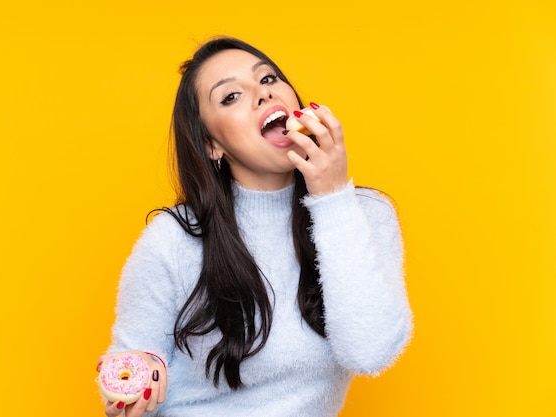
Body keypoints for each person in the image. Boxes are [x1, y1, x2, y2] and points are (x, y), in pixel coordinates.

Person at [99, 36, 413, 417]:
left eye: (268, 79)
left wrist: (331, 198)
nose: (263, 95)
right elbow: (130, 363)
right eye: (230, 96)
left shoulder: (363, 214)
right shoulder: (174, 239)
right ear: (212, 145)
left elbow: (369, 352)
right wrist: (132, 389)